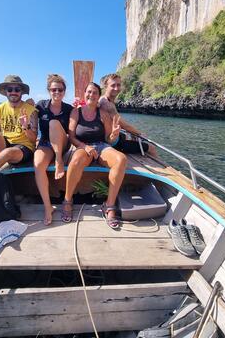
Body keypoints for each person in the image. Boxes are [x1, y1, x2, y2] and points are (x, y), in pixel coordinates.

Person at [62, 82, 127, 229]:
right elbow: (71, 137)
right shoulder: (76, 112)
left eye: (95, 92)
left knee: (121, 159)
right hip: (82, 146)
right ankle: (67, 200)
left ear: (99, 96)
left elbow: (108, 139)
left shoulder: (103, 113)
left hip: (101, 146)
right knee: (76, 160)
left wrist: (114, 135)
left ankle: (109, 206)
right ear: (85, 94)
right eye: (89, 92)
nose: (91, 95)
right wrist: (84, 146)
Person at [34, 74, 73, 225]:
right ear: (48, 91)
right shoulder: (40, 106)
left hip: (63, 144)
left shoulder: (69, 109)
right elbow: (28, 114)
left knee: (54, 123)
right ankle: (48, 207)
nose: (57, 92)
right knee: (38, 165)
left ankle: (58, 161)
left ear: (64, 91)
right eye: (53, 89)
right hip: (46, 143)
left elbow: (74, 131)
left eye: (60, 90)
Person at [99, 73, 157, 157]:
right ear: (106, 87)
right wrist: (140, 133)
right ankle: (161, 165)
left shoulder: (105, 100)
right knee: (152, 147)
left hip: (112, 138)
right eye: (113, 85)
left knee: (131, 137)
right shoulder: (106, 103)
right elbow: (124, 125)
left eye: (118, 85)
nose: (116, 88)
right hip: (113, 143)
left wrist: (134, 134)